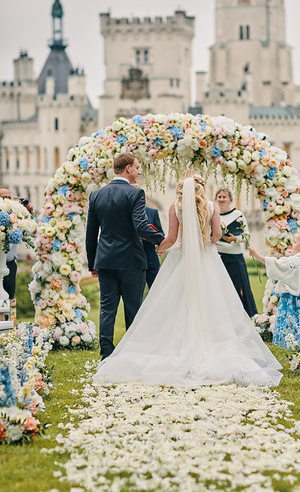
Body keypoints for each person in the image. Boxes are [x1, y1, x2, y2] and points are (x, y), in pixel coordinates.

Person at [94, 170, 282, 387]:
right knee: (214, 302)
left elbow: (172, 238)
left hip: (181, 260)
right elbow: (218, 235)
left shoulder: (176, 207)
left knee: (175, 303)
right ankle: (211, 343)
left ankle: (175, 346)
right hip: (208, 259)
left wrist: (159, 248)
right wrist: (208, 242)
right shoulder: (211, 206)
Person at [85, 152, 164, 360]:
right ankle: (131, 354)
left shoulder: (96, 195)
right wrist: (161, 240)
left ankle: (106, 354)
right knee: (133, 309)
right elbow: (141, 225)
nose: (139, 172)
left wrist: (93, 263)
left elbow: (91, 233)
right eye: (137, 168)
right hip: (131, 261)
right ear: (128, 168)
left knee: (107, 309)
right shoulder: (135, 194)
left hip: (105, 260)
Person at [249, 232, 300, 349]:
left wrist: (255, 254)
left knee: (291, 327)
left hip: (292, 301)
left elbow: (274, 265)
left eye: (295, 242)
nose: (292, 244)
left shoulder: (292, 262)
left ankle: (292, 346)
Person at [215, 187, 257, 317]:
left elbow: (247, 236)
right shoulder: (213, 215)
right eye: (219, 197)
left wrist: (235, 239)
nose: (221, 199)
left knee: (241, 288)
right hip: (218, 257)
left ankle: (248, 316)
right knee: (220, 289)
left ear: (230, 199)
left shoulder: (238, 215)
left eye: (224, 197)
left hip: (235, 258)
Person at [0, 187, 34, 323]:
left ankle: (10, 325)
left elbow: (32, 230)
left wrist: (29, 213)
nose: (6, 200)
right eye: (3, 197)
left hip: (10, 264)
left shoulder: (15, 215)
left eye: (8, 197)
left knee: (10, 296)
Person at [143, 205, 164, 289]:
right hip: (132, 262)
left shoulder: (152, 212)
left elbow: (161, 234)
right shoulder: (126, 212)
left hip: (151, 260)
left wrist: (150, 236)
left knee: (157, 291)